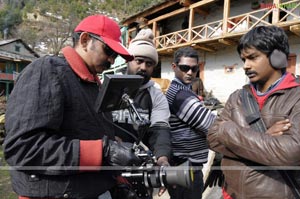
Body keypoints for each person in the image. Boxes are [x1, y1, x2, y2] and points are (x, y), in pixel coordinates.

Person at [3, 14, 142, 199]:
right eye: (108, 51)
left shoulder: (92, 83)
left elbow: (85, 133)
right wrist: (103, 151)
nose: (111, 60)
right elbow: (22, 148)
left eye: (115, 55)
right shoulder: (47, 71)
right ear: (85, 40)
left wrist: (116, 171)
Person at [207, 25, 300, 199]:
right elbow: (212, 137)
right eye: (243, 60)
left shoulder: (296, 97)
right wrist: (266, 137)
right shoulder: (237, 97)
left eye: (252, 57)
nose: (246, 66)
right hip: (230, 193)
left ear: (277, 57)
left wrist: (227, 131)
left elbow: (292, 152)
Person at [111, 28, 171, 199]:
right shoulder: (108, 86)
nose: (143, 67)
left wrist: (163, 158)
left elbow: (160, 129)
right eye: (138, 61)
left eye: (149, 63)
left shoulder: (156, 95)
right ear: (128, 60)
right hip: (108, 168)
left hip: (139, 170)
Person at [165, 46, 216, 199]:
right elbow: (212, 125)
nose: (189, 72)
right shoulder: (180, 95)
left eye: (194, 69)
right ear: (174, 67)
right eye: (185, 68)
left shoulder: (184, 90)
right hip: (186, 167)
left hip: (185, 166)